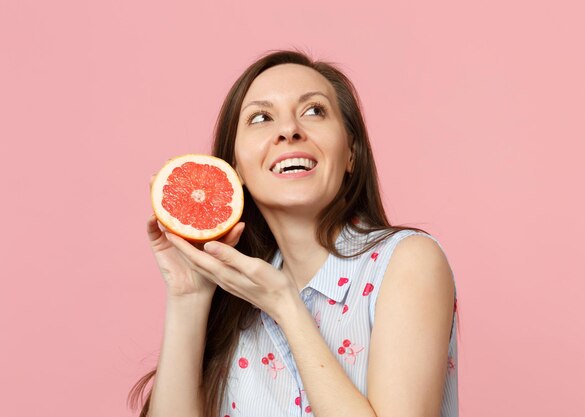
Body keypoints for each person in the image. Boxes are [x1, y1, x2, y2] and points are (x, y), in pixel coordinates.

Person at [129, 50, 458, 417]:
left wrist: (286, 306)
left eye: (314, 111)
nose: (288, 130)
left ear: (351, 153)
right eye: (261, 117)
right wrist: (188, 296)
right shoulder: (239, 302)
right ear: (235, 167)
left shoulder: (408, 262)